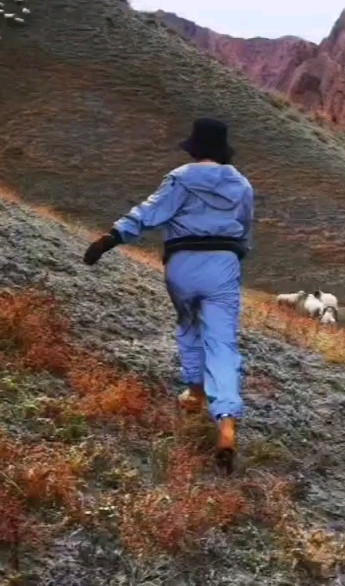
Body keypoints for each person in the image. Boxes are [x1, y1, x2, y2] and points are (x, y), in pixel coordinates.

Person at [82, 117, 254, 474]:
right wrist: (237, 255)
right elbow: (245, 230)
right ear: (223, 149)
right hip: (223, 263)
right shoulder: (241, 185)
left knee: (190, 328)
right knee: (222, 343)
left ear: (195, 147)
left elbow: (148, 214)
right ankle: (226, 422)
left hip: (183, 263)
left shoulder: (181, 177)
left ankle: (194, 394)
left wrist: (112, 238)